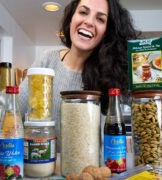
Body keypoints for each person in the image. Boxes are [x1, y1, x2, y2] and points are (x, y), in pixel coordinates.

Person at [19, 0, 140, 150]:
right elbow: (12, 109)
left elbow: (148, 112)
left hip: (92, 169)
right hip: (43, 167)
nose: (89, 22)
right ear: (71, 18)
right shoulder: (47, 60)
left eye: (100, 19)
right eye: (83, 12)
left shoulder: (113, 75)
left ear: (107, 32)